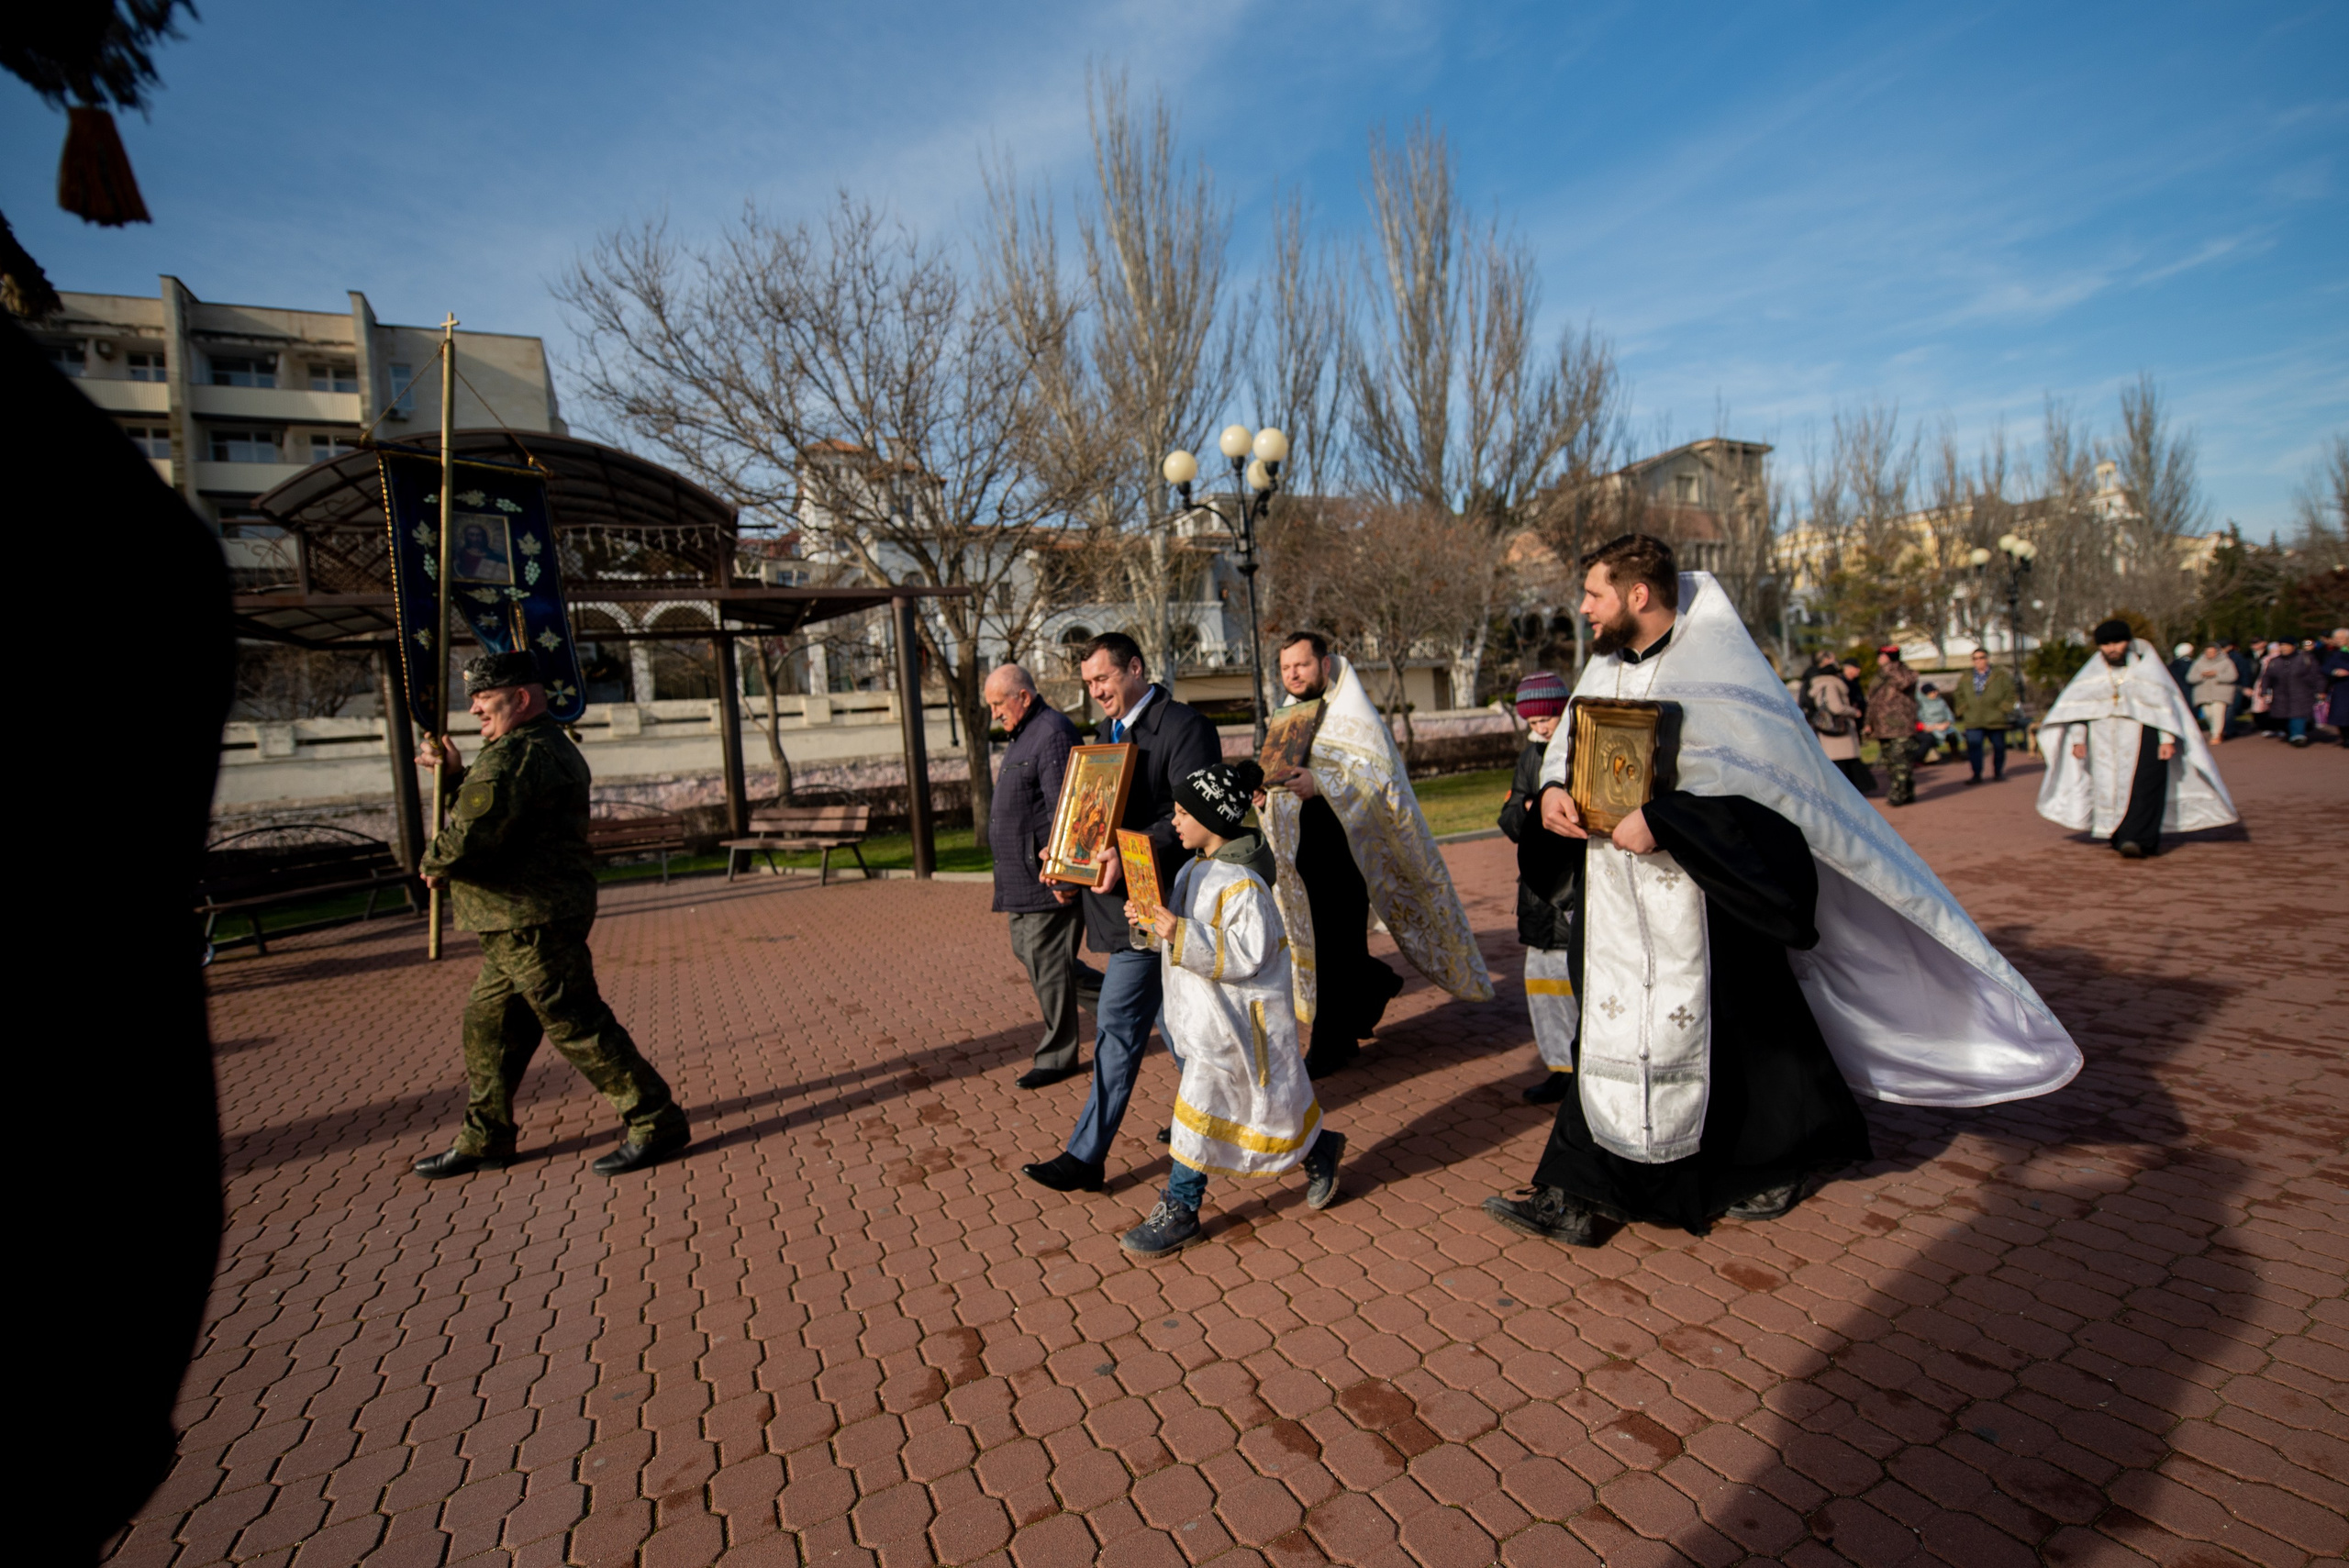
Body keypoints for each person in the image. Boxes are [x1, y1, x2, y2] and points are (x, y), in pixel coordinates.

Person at [1480, 534, 2079, 1247]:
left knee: (1748, 1039)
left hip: (1707, 895)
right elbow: (1565, 754)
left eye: (1595, 594)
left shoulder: (1722, 675)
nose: (1584, 608)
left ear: (1638, 595)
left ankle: (1780, 1158)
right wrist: (1552, 791)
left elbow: (1768, 798)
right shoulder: (1603, 669)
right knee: (1608, 1030)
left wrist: (1667, 816)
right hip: (1614, 900)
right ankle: (1576, 1190)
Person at [412, 651, 691, 1177]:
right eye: (472, 697)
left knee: (576, 1023)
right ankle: (485, 1136)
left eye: (483, 696)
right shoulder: (537, 748)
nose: (473, 708)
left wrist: (435, 860)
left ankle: (656, 1119)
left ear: (520, 698)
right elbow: (502, 809)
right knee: (490, 1027)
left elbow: (474, 836)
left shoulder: (514, 755)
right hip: (521, 919)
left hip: (529, 920)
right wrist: (454, 777)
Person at [1115, 761, 1345, 1258]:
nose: (1174, 821)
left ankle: (1181, 1206)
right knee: (1268, 1111)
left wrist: (1178, 931)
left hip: (1235, 1025)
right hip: (1201, 1018)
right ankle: (1320, 1148)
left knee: (1198, 1109)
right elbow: (1176, 941)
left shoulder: (1244, 885)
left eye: (1182, 812)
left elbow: (1245, 953)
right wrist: (1153, 925)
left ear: (1214, 818)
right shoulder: (1192, 869)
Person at [1021, 634, 1222, 1194]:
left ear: (1135, 668)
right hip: (1128, 906)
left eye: (1103, 679)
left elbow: (1194, 819)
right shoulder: (1107, 734)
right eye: (1088, 684)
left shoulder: (1185, 726)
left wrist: (1129, 846)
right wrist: (1069, 856)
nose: (1096, 692)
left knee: (1121, 1027)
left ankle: (1087, 1156)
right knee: (1176, 1038)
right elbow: (1094, 813)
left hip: (1168, 905)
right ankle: (1237, 1121)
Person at [1257, 631, 1493, 1078]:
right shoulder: (1289, 715)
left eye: (1301, 665)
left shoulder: (1354, 713)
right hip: (1305, 853)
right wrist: (1266, 795)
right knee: (1331, 946)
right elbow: (1280, 774)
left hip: (1348, 853)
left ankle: (1331, 1044)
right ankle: (1369, 992)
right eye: (1285, 667)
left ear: (1325, 666)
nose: (1292, 674)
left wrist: (1321, 784)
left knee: (1335, 946)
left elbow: (1377, 775)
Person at [984, 663, 1100, 1089]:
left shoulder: (1051, 732)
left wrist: (1068, 875)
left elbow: (1065, 809)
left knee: (1048, 963)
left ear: (1024, 697)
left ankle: (1057, 1056)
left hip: (1047, 881)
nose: (995, 713)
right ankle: (1124, 1008)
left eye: (998, 703)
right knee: (1042, 960)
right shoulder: (1025, 734)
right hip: (1025, 879)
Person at [2036, 620, 2237, 858]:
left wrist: (2167, 740)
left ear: (2128, 643)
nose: (2112, 649)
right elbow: (2078, 711)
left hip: (2143, 735)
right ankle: (2119, 834)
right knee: (2108, 787)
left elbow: (2164, 708)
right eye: (2106, 644)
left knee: (2145, 785)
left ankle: (2139, 838)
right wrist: (2078, 740)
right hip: (2103, 740)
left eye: (2117, 642)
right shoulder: (2091, 675)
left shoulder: (2147, 670)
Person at [1497, 671, 1577, 1106]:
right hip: (1537, 894)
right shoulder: (1530, 756)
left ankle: (1586, 1069)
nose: (1543, 727)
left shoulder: (1580, 749)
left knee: (1579, 982)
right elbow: (1510, 814)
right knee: (1544, 986)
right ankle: (1559, 1068)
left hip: (1573, 891)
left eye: (1550, 717)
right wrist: (1530, 808)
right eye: (1535, 720)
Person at [1802, 653, 1872, 795]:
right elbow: (1836, 707)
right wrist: (1853, 712)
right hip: (1838, 727)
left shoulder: (1818, 685)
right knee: (1843, 762)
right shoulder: (1831, 685)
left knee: (1840, 763)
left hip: (1827, 727)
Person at [1863, 644, 1920, 806]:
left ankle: (1899, 794)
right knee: (1890, 763)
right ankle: (1906, 791)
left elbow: (1904, 683)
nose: (1878, 659)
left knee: (1901, 762)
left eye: (1881, 656)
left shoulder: (1905, 673)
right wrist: (1868, 723)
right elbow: (1873, 701)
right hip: (1882, 727)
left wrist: (1891, 667)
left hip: (1901, 727)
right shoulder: (1879, 676)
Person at [1951, 649, 2018, 784]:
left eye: (1981, 658)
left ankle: (1998, 772)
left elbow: (2010, 694)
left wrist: (2003, 709)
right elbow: (1958, 694)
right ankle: (1976, 775)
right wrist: (1963, 708)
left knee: (1999, 747)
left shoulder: (2000, 675)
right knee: (1974, 748)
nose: (1978, 661)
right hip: (1973, 718)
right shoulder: (1967, 676)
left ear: (1987, 658)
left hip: (1995, 718)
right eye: (1975, 659)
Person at [2257, 638, 2324, 747]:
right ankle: (2293, 732)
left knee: (2298, 714)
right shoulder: (2275, 661)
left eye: (2286, 645)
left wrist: (2321, 690)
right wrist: (2264, 691)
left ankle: (2298, 736)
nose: (2284, 648)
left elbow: (2317, 675)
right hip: (2280, 695)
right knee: (2282, 717)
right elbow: (2267, 677)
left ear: (2293, 646)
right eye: (2281, 645)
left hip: (2302, 693)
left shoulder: (2305, 659)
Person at [2185, 644, 2238, 746]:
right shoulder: (2199, 663)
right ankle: (2218, 732)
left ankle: (2216, 735)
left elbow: (2233, 676)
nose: (2209, 654)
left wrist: (2216, 674)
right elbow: (2190, 677)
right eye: (2207, 652)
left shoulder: (2226, 662)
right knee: (2209, 715)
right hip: (2203, 694)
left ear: (2217, 652)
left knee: (2218, 714)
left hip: (2220, 694)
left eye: (2212, 652)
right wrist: (2202, 675)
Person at [2222, 639, 2257, 738]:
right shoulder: (2222, 657)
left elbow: (2245, 672)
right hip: (2226, 687)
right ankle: (2227, 729)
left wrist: (2246, 686)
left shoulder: (2238, 658)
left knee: (2231, 709)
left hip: (2237, 686)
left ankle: (2229, 730)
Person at [1915, 683, 1956, 761]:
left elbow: (1949, 714)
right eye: (1932, 692)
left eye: (1936, 691)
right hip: (1930, 728)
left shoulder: (1940, 701)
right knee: (1928, 739)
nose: (1935, 693)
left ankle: (1956, 756)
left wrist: (1947, 723)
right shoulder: (1922, 704)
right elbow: (1921, 719)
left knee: (1952, 733)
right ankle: (1918, 759)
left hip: (1944, 726)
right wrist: (1936, 726)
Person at [2322, 629, 2349, 747]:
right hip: (2341, 688)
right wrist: (2334, 671)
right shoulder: (2335, 654)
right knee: (2341, 714)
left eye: (2341, 638)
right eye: (2336, 638)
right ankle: (2346, 737)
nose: (2338, 640)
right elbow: (2325, 668)